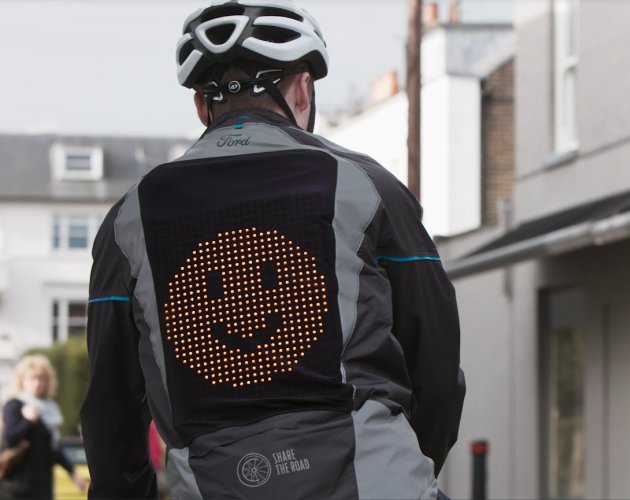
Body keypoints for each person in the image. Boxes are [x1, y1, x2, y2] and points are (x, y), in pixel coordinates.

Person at [81, 0, 465, 498]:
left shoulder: (129, 218)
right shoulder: (368, 187)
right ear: (303, 90)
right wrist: (411, 466)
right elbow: (436, 367)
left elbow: (110, 408)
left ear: (200, 105)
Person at [0, 354, 87, 499]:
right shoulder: (16, 405)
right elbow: (10, 439)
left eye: (41, 378)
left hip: (42, 485)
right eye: (32, 378)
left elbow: (54, 447)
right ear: (22, 380)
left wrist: (72, 473)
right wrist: (28, 421)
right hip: (16, 487)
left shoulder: (51, 409)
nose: (37, 383)